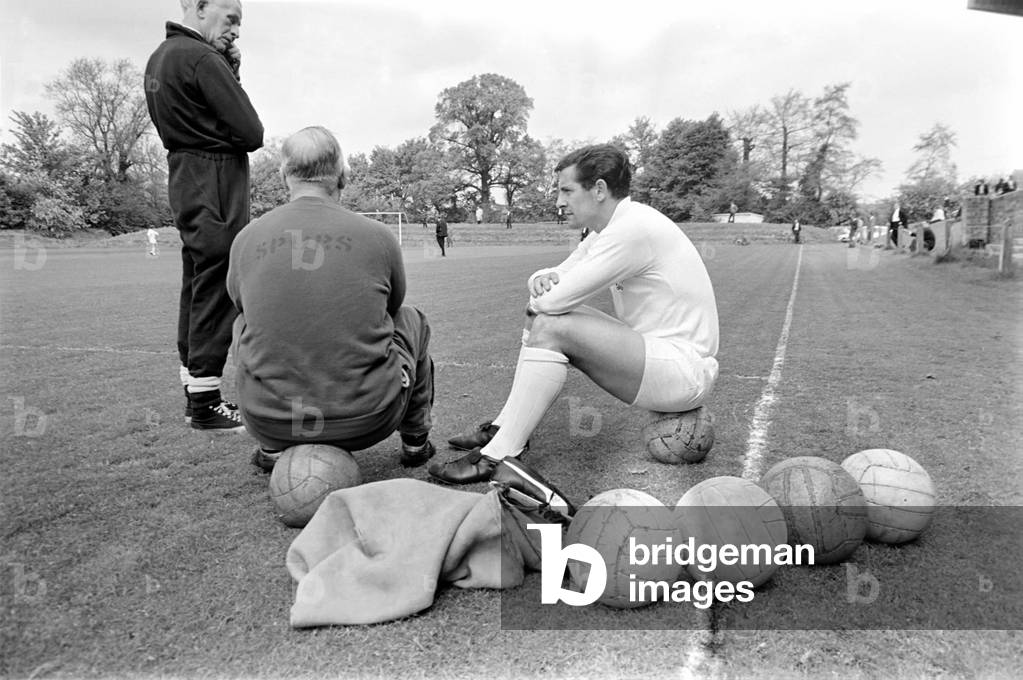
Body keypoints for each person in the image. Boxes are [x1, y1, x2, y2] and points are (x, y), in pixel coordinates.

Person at [428, 144, 719, 484]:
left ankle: (499, 455)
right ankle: (504, 427)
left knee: (550, 323)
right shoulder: (610, 229)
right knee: (542, 315)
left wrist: (543, 292)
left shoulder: (632, 230)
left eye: (567, 191)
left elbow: (552, 300)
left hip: (683, 371)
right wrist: (539, 280)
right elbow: (553, 275)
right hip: (658, 354)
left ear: (598, 190)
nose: (559, 203)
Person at [227, 126, 436, 472]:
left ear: (284, 175)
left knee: (241, 322)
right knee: (412, 319)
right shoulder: (378, 236)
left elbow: (240, 305)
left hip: (270, 420)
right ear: (343, 174)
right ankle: (416, 441)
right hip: (370, 418)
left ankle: (270, 446)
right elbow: (394, 306)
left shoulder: (247, 238)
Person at [145, 0, 264, 432]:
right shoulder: (200, 56)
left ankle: (195, 390)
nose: (235, 30)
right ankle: (206, 403)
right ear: (199, 7)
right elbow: (251, 132)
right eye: (231, 19)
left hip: (185, 175)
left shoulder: (162, 56)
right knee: (216, 282)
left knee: (197, 282)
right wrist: (229, 71)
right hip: (215, 180)